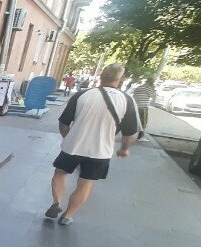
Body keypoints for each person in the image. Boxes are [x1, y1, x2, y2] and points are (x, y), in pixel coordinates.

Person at [45, 63, 139, 226]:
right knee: (85, 184)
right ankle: (68, 216)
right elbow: (130, 133)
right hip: (100, 152)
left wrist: (68, 138)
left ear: (101, 76)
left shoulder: (82, 95)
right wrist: (124, 149)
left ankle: (57, 202)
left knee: (60, 173)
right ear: (120, 79)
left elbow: (64, 123)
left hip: (73, 146)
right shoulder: (127, 100)